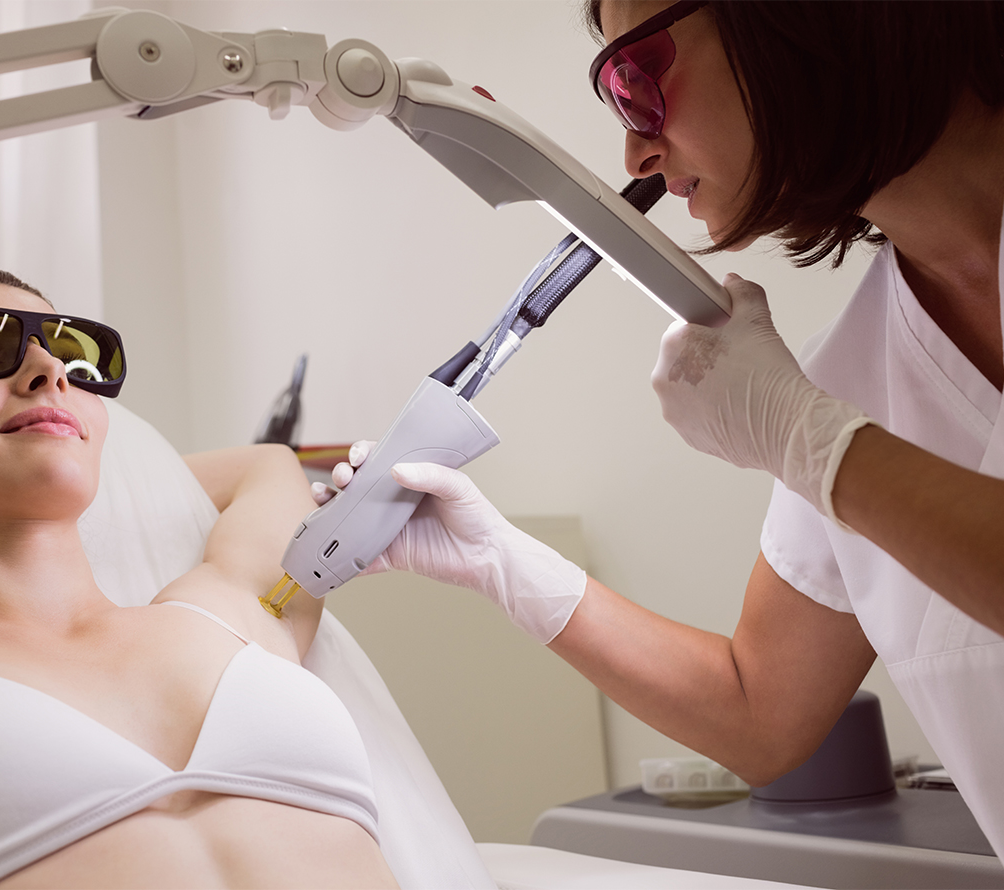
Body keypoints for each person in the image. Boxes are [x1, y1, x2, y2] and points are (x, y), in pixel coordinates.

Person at [318, 0, 1004, 857]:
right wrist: (501, 561)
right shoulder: (858, 372)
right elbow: (762, 710)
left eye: (637, 81)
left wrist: (811, 440)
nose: (637, 152)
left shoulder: (819, 414)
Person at [0, 264, 398, 889]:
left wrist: (97, 469)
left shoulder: (233, 611)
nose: (49, 372)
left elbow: (269, 464)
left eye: (73, 358)